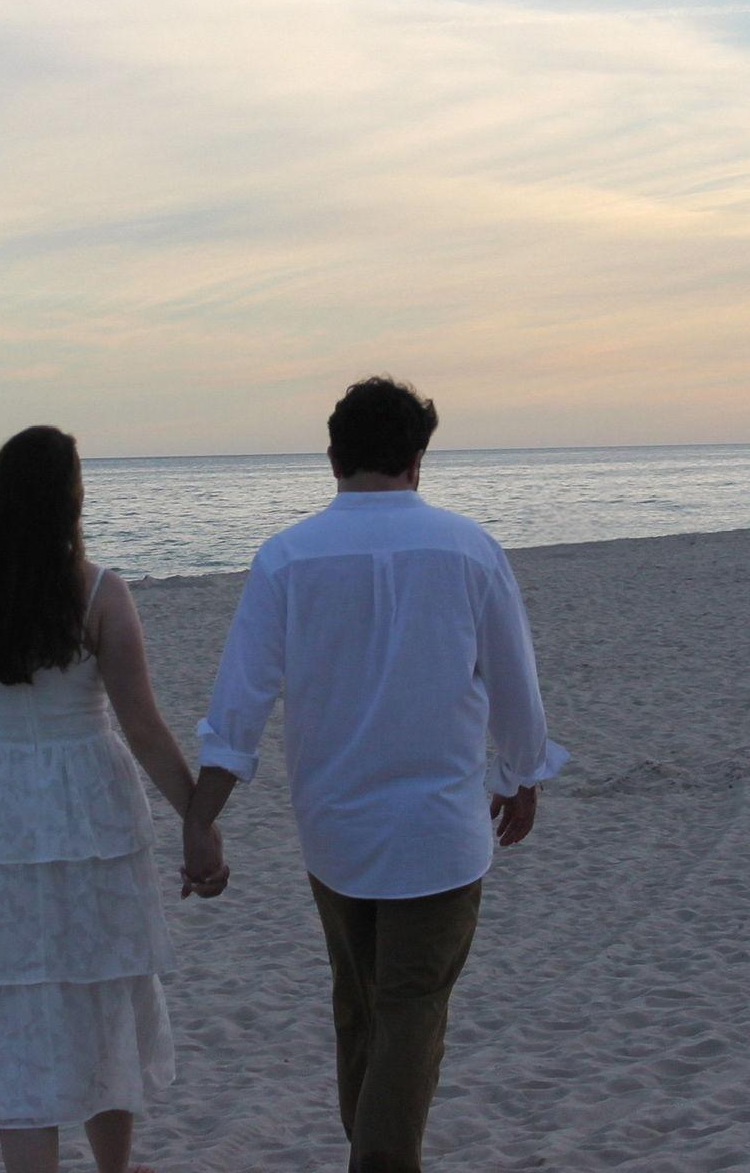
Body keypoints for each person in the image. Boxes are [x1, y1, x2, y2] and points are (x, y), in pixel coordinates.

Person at [182, 377, 569, 1173]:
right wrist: (521, 773)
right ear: (417, 460)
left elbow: (240, 702)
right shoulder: (467, 548)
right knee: (407, 1014)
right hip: (439, 830)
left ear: (333, 458)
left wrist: (202, 813)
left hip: (335, 829)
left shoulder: (287, 557)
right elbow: (513, 681)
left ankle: (372, 1152)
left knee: (361, 1008)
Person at [0, 425, 225, 1173]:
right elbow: (142, 723)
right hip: (88, 798)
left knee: (16, 1002)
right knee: (101, 986)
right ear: (69, 502)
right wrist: (198, 818)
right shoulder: (96, 591)